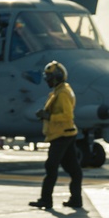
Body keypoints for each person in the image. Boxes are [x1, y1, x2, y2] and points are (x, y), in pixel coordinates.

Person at [29, 60, 83, 210]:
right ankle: (76, 199)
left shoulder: (63, 93)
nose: (47, 80)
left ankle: (46, 200)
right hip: (66, 133)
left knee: (51, 166)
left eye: (49, 77)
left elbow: (67, 115)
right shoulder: (61, 90)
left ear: (56, 77)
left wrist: (48, 116)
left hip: (62, 135)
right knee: (73, 169)